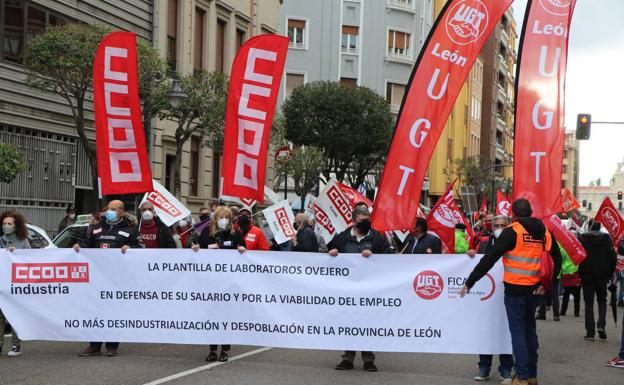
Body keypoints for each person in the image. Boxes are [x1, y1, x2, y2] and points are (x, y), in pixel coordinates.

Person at [460, 199, 562, 385]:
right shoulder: (544, 232)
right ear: (530, 212)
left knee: (518, 333)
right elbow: (557, 259)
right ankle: (532, 375)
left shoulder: (512, 232)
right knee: (530, 332)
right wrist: (546, 285)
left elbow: (489, 259)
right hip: (534, 290)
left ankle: (521, 377)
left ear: (513, 215)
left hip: (515, 291)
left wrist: (470, 281)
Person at [73, 200, 142, 357]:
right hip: (97, 278)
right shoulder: (96, 227)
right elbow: (86, 244)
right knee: (95, 310)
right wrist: (79, 246)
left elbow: (141, 247)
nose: (109, 211)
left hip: (118, 278)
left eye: (113, 209)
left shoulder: (130, 229)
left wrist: (131, 248)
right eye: (108, 208)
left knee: (113, 311)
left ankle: (112, 345)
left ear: (121, 212)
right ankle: (94, 345)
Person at [328, 206, 390, 372]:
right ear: (354, 220)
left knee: (367, 323)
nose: (366, 223)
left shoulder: (378, 238)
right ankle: (348, 358)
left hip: (370, 290)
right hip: (348, 290)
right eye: (363, 221)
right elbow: (329, 255)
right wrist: (332, 253)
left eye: (368, 220)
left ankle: (368, 359)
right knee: (349, 323)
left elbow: (389, 260)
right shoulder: (342, 238)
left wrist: (375, 256)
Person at [194, 206, 246, 362]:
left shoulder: (235, 234)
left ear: (231, 219)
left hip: (228, 283)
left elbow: (243, 251)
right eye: (221, 217)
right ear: (215, 218)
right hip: (210, 283)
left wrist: (243, 249)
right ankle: (212, 349)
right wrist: (196, 249)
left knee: (225, 316)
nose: (224, 220)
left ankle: (225, 349)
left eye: (227, 217)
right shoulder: (206, 233)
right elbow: (199, 251)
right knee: (211, 316)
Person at [467, 215, 514, 384]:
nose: (499, 228)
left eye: (502, 225)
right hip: (486, 297)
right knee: (486, 331)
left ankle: (506, 369)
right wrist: (471, 254)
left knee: (506, 331)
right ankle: (484, 367)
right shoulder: (484, 243)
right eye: (496, 225)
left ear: (508, 226)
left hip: (508, 293)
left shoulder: (513, 243)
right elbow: (478, 262)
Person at [578, 220, 617, 341]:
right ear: (600, 228)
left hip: (587, 274)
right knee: (602, 300)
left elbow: (578, 255)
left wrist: (580, 271)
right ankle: (601, 325)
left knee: (588, 303)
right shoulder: (607, 239)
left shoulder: (582, 239)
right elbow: (613, 258)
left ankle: (590, 332)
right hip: (602, 275)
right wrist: (609, 274)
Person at [0, 210, 31, 357]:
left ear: (16, 225)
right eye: (4, 224)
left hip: (16, 285)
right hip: (1, 284)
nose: (6, 226)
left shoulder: (23, 242)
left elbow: (29, 261)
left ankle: (15, 345)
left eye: (9, 224)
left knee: (14, 316)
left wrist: (16, 254)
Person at [536, 242, 563, 321]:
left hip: (545, 273)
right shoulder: (558, 245)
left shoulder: (543, 245)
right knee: (555, 294)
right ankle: (556, 315)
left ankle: (542, 313)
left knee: (543, 293)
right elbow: (562, 258)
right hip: (555, 273)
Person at [560, 242, 582, 317]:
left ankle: (563, 311)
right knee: (577, 294)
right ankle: (577, 312)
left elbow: (561, 257)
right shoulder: (578, 249)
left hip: (566, 272)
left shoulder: (564, 249)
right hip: (576, 271)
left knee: (566, 293)